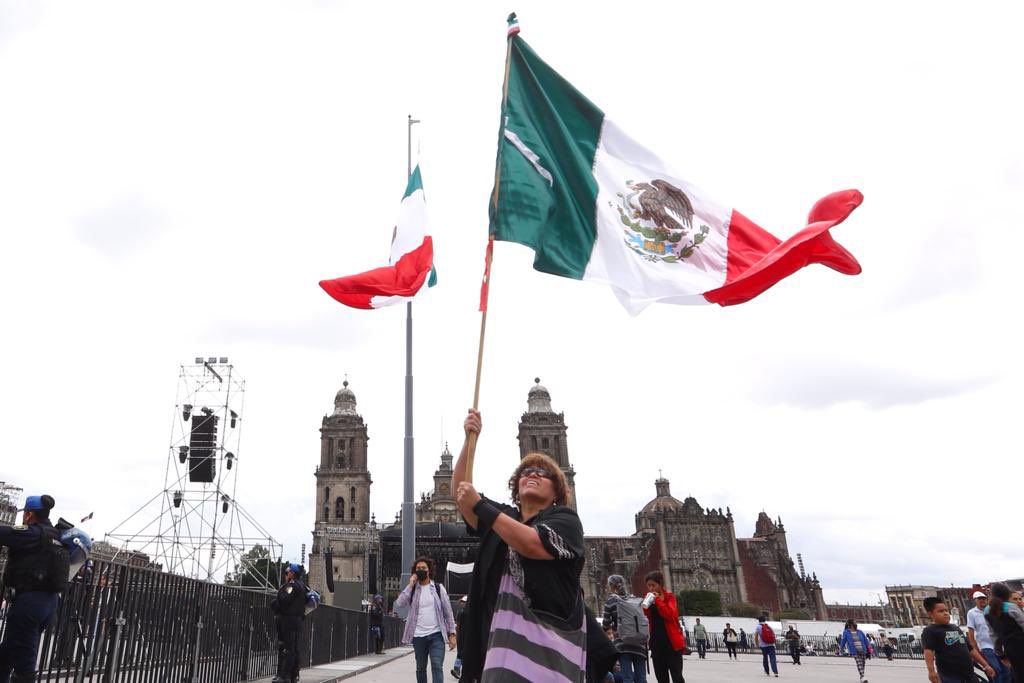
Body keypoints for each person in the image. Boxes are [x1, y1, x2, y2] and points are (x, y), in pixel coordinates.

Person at [453, 409, 588, 683]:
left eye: (543, 473)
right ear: (516, 488)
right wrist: (470, 440)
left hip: (545, 656)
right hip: (493, 653)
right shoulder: (503, 518)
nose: (533, 474)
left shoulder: (565, 520)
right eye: (526, 472)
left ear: (557, 492)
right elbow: (461, 492)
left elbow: (531, 543)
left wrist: (480, 505)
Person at [0, 494, 69, 683]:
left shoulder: (32, 533)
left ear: (29, 515)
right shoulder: (56, 535)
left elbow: (4, 532)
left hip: (29, 604)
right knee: (6, 654)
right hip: (49, 603)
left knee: (25, 667)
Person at [395, 557, 457, 683]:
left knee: (436, 665)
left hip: (436, 635)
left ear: (429, 571)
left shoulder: (439, 589)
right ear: (414, 572)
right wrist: (410, 584)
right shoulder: (413, 590)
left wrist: (452, 634)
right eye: (418, 568)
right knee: (420, 668)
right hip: (418, 636)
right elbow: (400, 603)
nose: (421, 570)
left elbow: (448, 612)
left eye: (424, 568)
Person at [923, 596, 995, 683]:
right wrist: (931, 671)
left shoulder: (955, 627)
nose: (946, 613)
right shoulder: (930, 630)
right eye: (940, 611)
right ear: (930, 614)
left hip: (969, 674)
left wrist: (985, 665)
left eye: (946, 610)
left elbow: (970, 649)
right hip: (950, 676)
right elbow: (928, 651)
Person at [602, 574, 648, 683]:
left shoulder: (611, 601)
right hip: (639, 643)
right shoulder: (634, 599)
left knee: (627, 678)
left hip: (623, 644)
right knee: (641, 679)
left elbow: (605, 624)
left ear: (611, 586)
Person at [641, 571, 685, 683]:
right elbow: (646, 616)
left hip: (671, 644)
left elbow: (670, 614)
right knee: (661, 677)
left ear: (660, 584)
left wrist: (658, 601)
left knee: (677, 676)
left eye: (653, 585)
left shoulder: (670, 598)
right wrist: (647, 604)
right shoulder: (650, 599)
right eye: (648, 586)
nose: (651, 588)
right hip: (656, 644)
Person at [270, 563, 307, 683]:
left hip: (289, 620)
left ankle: (284, 676)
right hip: (298, 620)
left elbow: (285, 599)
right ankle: (293, 676)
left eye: (288, 571)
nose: (287, 573)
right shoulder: (302, 585)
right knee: (294, 649)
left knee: (288, 649)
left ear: (292, 573)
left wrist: (281, 591)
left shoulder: (292, 585)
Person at [966, 590, 1010, 683]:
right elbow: (971, 631)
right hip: (985, 646)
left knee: (1006, 669)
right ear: (975, 600)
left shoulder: (991, 610)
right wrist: (974, 648)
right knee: (996, 669)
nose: (982, 601)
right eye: (979, 599)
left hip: (998, 645)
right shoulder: (972, 613)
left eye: (983, 598)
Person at [985, 582, 1024, 683]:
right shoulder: (1010, 607)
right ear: (1007, 594)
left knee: (1018, 675)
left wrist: (1000, 653)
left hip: (1009, 649)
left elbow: (993, 635)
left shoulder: (987, 611)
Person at [451, 595, 467, 679]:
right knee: (460, 654)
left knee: (461, 654)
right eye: (462, 602)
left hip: (464, 637)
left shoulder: (462, 612)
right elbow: (458, 625)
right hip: (462, 636)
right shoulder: (461, 612)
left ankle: (458, 669)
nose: (462, 603)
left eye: (464, 602)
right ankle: (457, 669)